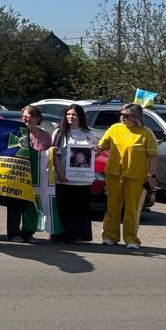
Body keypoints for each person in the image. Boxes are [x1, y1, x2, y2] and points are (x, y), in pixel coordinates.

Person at [97, 103, 158, 250]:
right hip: (114, 174)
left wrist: (151, 175)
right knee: (112, 207)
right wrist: (90, 150)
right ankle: (109, 236)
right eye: (121, 114)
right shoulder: (114, 128)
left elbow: (153, 156)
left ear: (135, 117)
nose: (122, 117)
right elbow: (101, 146)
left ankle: (131, 239)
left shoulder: (145, 133)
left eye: (126, 115)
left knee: (132, 209)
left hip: (135, 176)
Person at [5, 105, 53, 243]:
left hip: (37, 176)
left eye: (30, 115)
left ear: (37, 118)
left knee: (33, 205)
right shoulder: (16, 133)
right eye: (24, 115)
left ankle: (28, 233)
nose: (26, 118)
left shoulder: (45, 136)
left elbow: (49, 156)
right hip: (18, 175)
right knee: (15, 205)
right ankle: (14, 234)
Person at [52, 103, 95, 243]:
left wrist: (97, 149)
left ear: (80, 116)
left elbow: (93, 154)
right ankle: (62, 236)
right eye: (68, 114)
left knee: (81, 209)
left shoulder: (88, 134)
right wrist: (61, 175)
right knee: (64, 209)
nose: (71, 117)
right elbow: (55, 156)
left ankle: (79, 236)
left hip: (83, 180)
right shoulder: (59, 133)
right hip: (64, 179)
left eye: (74, 114)